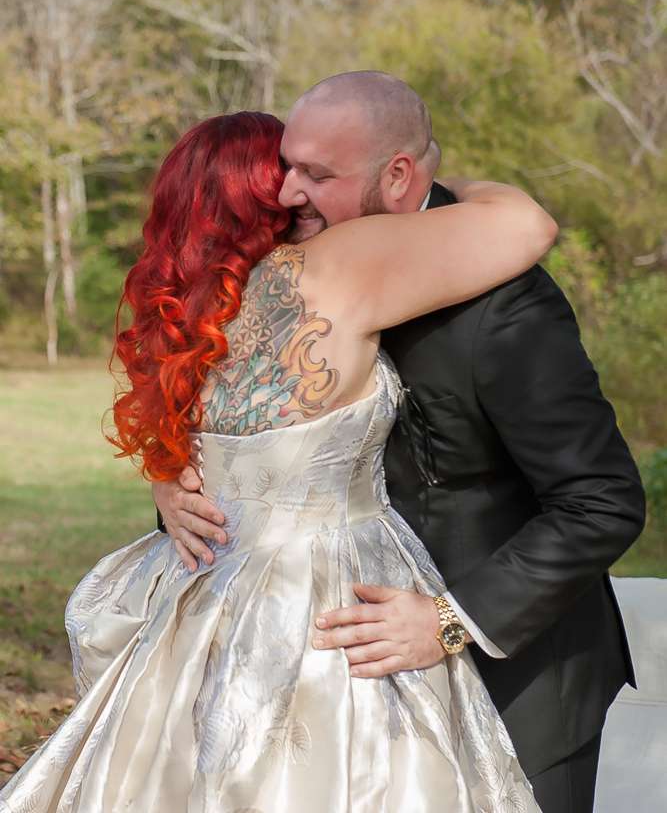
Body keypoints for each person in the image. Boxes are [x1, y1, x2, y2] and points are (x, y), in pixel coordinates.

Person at [0, 109, 556, 812]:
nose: (300, 188)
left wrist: (167, 481)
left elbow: (210, 452)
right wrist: (434, 177)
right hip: (327, 592)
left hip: (203, 590)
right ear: (266, 191)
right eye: (288, 172)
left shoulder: (183, 309)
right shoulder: (338, 264)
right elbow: (527, 223)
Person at [155, 72, 646, 813]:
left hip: (515, 676)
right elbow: (249, 429)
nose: (287, 193)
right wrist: (176, 484)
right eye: (287, 167)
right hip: (341, 692)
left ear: (396, 176)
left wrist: (450, 619)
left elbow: (601, 501)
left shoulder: (505, 301)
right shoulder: (283, 270)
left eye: (317, 175)